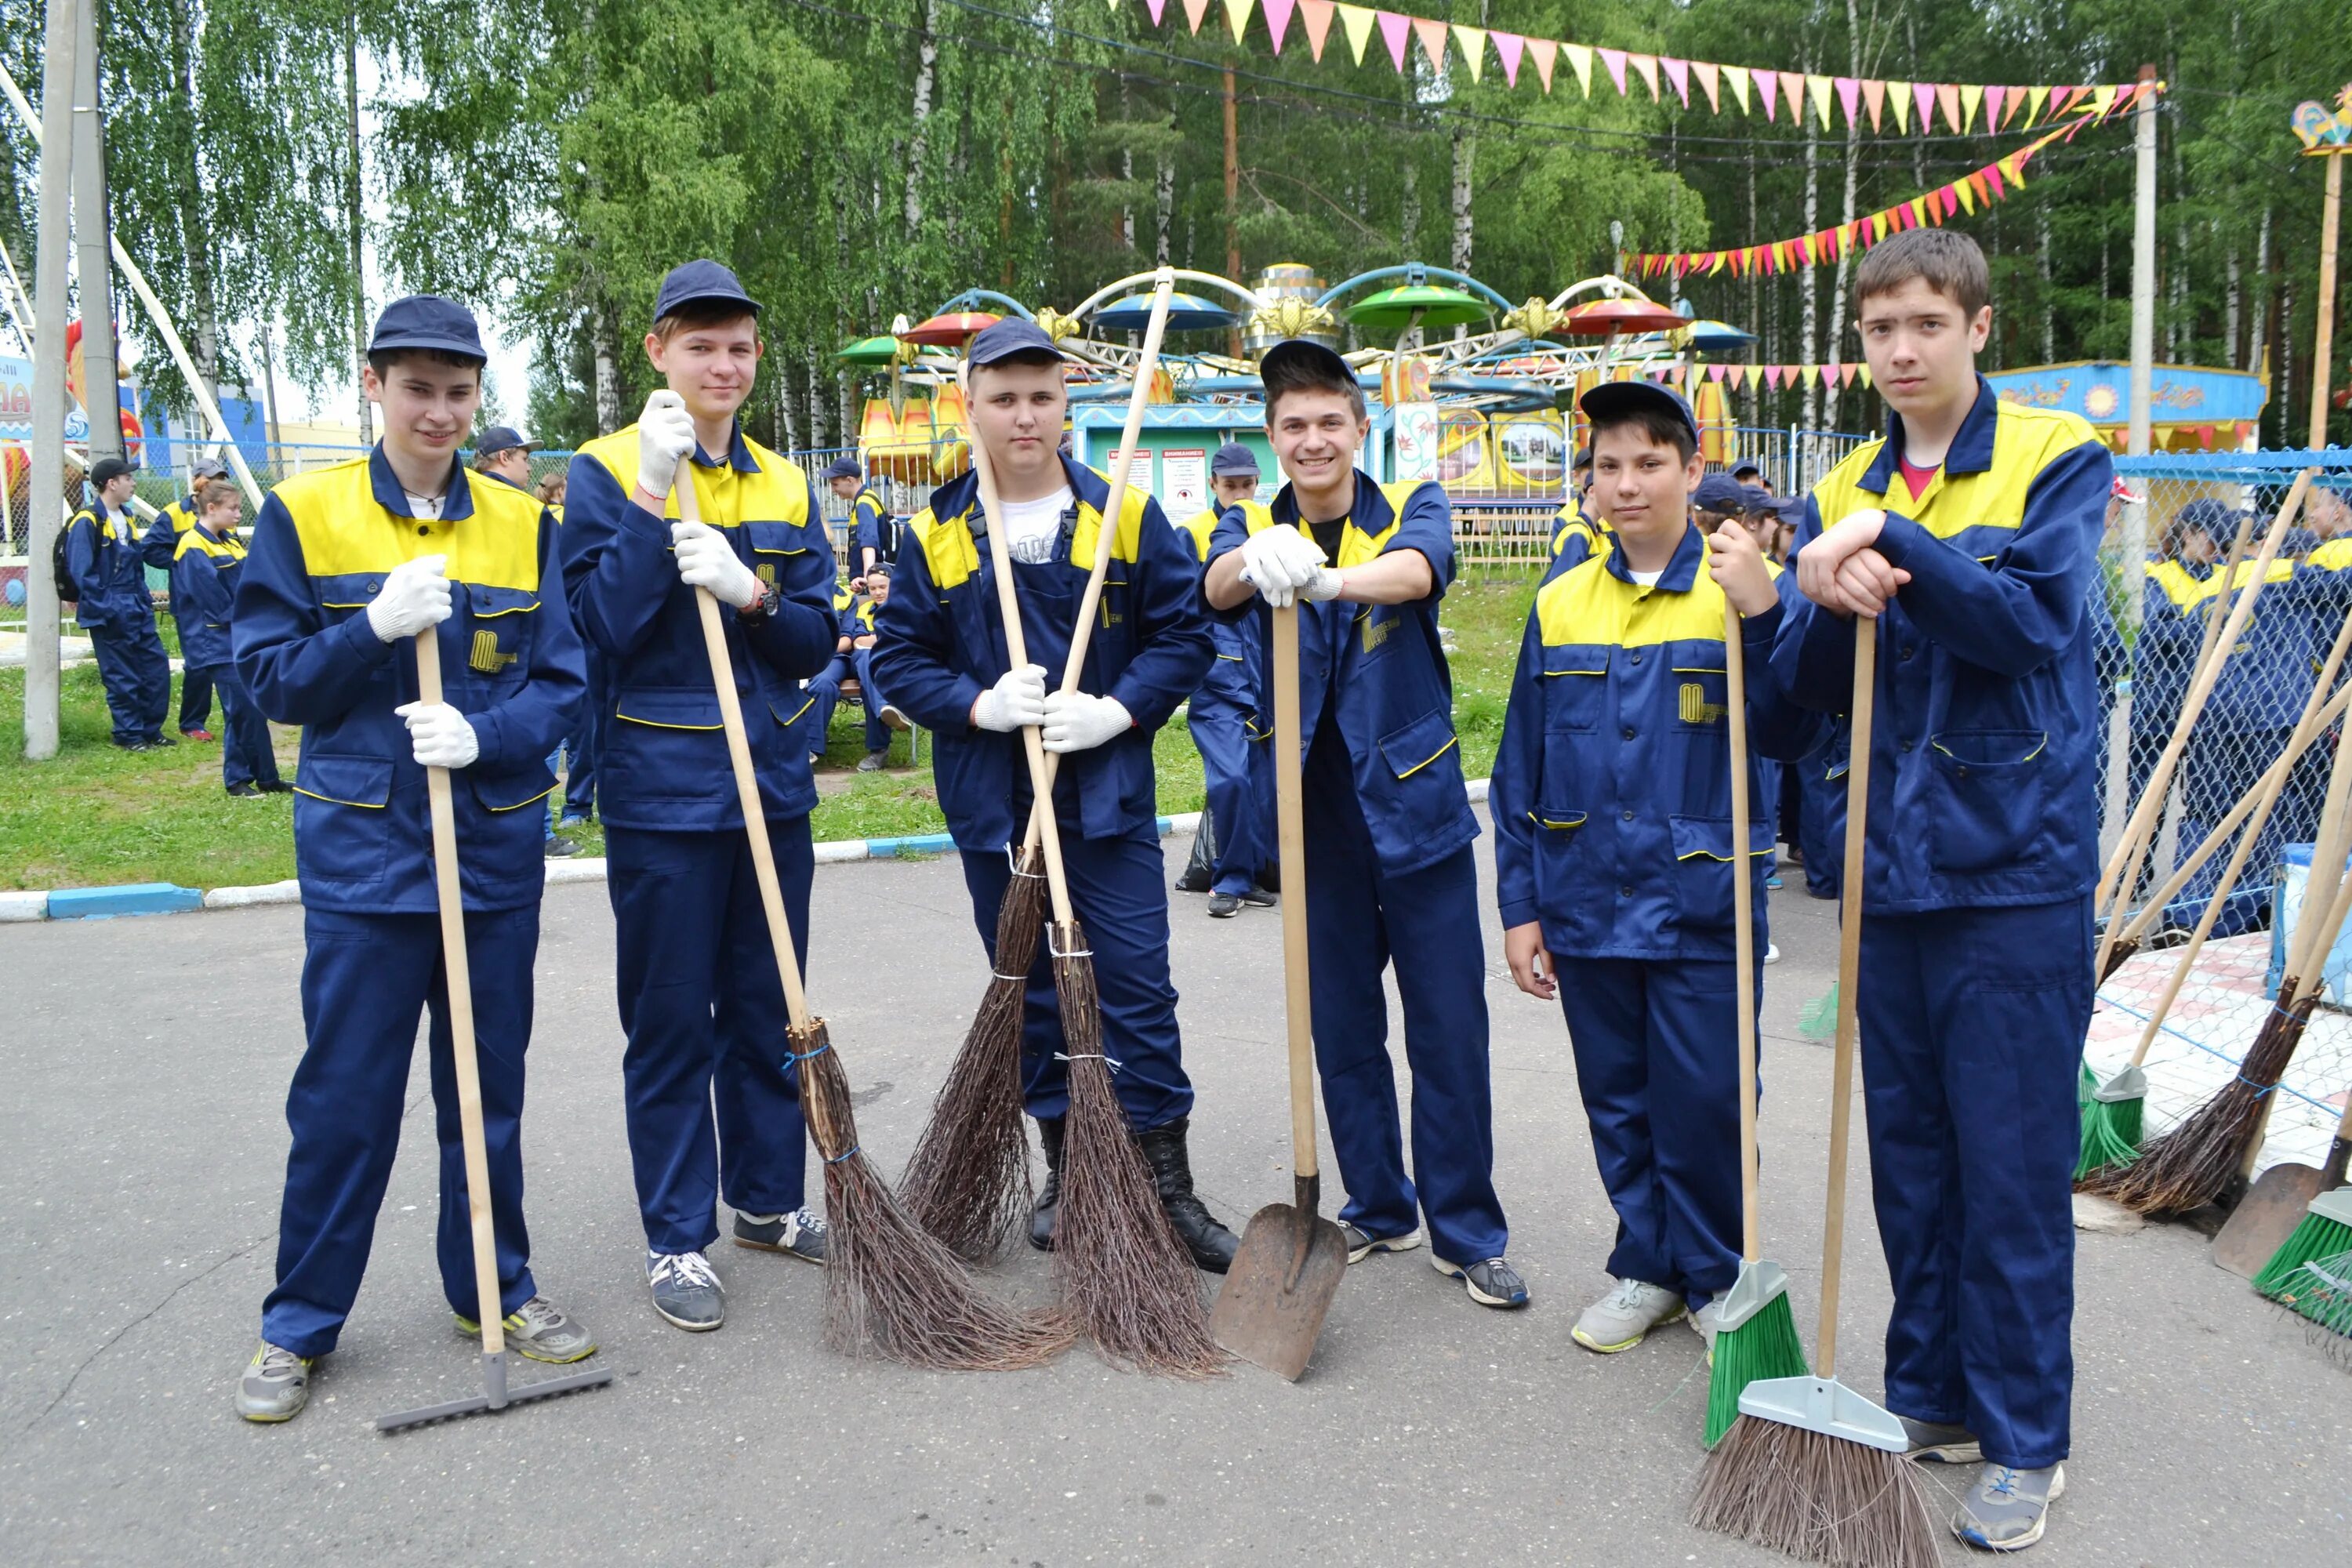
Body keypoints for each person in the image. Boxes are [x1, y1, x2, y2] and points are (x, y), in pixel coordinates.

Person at [1771, 229, 2109, 1551]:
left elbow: (2031, 629)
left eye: (1924, 324)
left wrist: (1894, 540)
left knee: (2011, 1166)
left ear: (1978, 328)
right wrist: (1808, 589)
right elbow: (1801, 698)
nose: (1899, 351)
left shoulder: (2053, 460)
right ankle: (1936, 1394)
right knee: (1911, 1157)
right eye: (1877, 330)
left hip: (2011, 871)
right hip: (1883, 870)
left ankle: (2030, 1438)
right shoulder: (1842, 478)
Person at [229, 295, 593, 1424]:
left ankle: (495, 1288)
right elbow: (272, 682)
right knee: (343, 1098)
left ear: (478, 395)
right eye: (417, 387)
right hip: (364, 861)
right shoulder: (306, 514)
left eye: (458, 390)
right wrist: (371, 629)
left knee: (486, 1092)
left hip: (487, 853)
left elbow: (563, 686)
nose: (438, 410)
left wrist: (486, 735)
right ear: (375, 386)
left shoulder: (523, 523)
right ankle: (298, 1323)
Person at [872, 317, 1239, 1272]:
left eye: (1041, 397)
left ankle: (1166, 1182)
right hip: (996, 808)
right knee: (1031, 993)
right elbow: (900, 659)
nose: (1024, 417)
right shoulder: (938, 532)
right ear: (971, 407)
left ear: (1066, 405)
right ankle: (1069, 1168)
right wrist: (979, 703)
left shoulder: (1122, 512)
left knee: (1137, 989)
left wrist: (1119, 710)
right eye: (1004, 398)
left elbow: (1185, 634)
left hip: (1105, 797)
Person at [1491, 382, 1822, 1354]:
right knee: (1619, 1098)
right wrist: (1521, 905)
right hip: (1585, 896)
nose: (1626, 483)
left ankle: (1717, 1274)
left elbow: (1797, 733)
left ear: (1689, 470)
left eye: (1649, 462)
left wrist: (1764, 611)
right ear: (1589, 481)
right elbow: (1521, 763)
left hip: (1701, 902)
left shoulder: (1738, 589)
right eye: (1608, 465)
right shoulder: (1559, 600)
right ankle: (1648, 1263)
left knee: (1711, 1098)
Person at [1201, 339, 1523, 1309]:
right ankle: (1379, 1205)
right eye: (1292, 426)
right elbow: (1213, 586)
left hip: (1415, 813)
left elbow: (1423, 571)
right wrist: (1257, 560)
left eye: (1329, 422)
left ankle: (1466, 1231)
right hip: (1313, 827)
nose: (1312, 440)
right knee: (1341, 1027)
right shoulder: (1252, 529)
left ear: (1358, 429)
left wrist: (1333, 581)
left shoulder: (1410, 506)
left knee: (1449, 1031)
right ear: (1272, 438)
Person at [561, 260, 840, 1332]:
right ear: (658, 353)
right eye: (701, 346)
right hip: (662, 793)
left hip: (769, 784)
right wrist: (647, 498)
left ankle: (767, 1204)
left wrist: (752, 590)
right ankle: (678, 1236)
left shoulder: (784, 482)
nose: (722, 364)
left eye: (739, 348)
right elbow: (602, 630)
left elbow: (816, 637)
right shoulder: (601, 470)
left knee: (774, 1014)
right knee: (672, 1020)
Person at [1175, 442, 1276, 917]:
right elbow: (1180, 611)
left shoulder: (1271, 526)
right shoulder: (1192, 533)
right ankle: (1231, 880)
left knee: (1266, 781)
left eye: (1247, 484)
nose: (1239, 493)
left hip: (1267, 676)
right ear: (1213, 485)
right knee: (1232, 778)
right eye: (1230, 484)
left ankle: (1255, 872)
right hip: (1215, 679)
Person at [470, 426, 577, 857]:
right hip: (513, 641)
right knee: (538, 737)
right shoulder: (514, 513)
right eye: (523, 457)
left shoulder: (498, 506)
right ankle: (541, 830)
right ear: (502, 458)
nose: (529, 465)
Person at [169, 478, 284, 797]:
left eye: (239, 508)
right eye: (232, 508)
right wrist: (250, 621)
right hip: (217, 641)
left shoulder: (228, 542)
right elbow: (214, 601)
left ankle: (267, 777)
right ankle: (237, 779)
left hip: (239, 637)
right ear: (211, 508)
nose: (237, 514)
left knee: (254, 709)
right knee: (242, 710)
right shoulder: (193, 545)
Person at [66, 454, 173, 750]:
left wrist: (143, 600)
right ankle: (129, 735)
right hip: (108, 609)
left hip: (136, 605)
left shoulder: (126, 517)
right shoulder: (88, 521)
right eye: (128, 478)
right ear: (111, 483)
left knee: (155, 668)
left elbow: (136, 566)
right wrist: (108, 607)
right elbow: (81, 572)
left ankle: (151, 730)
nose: (133, 482)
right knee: (122, 675)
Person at [143, 453, 232, 739]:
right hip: (189, 601)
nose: (217, 485)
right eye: (214, 480)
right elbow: (150, 549)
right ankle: (193, 723)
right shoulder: (173, 514)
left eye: (221, 480)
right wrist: (183, 562)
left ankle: (236, 715)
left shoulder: (223, 513)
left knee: (227, 659)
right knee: (198, 663)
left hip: (219, 596)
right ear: (199, 483)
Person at [804, 564, 909, 771]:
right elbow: (858, 640)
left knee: (869, 667)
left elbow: (852, 640)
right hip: (842, 659)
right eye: (873, 588)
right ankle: (809, 748)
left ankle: (878, 749)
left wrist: (874, 641)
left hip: (884, 662)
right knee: (824, 682)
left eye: (883, 587)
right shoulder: (864, 608)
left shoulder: (906, 607)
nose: (878, 592)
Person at [828, 455, 896, 588]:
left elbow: (868, 542)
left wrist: (868, 579)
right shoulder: (868, 498)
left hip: (866, 583)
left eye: (835, 484)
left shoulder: (864, 503)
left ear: (850, 480)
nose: (833, 490)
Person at [472, 426, 543, 491]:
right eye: (524, 459)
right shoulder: (522, 502)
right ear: (504, 457)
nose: (529, 469)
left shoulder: (467, 493)